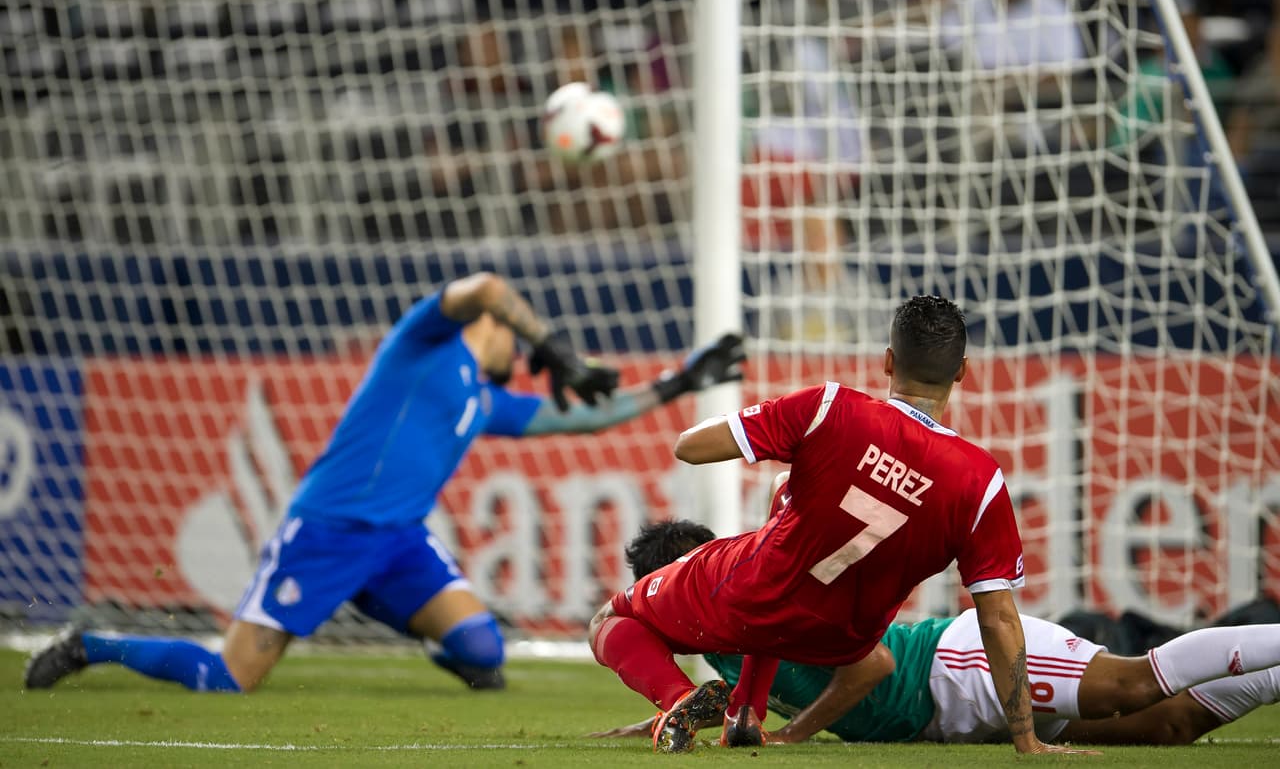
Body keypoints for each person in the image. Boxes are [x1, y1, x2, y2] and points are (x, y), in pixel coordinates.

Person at [24, 271, 746, 694]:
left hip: (399, 542)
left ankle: (382, 602)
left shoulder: (485, 399)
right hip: (328, 532)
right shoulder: (422, 341)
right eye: (519, 342)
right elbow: (488, 286)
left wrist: (677, 382)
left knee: (483, 652)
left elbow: (585, 419)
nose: (525, 360)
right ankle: (92, 644)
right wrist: (550, 343)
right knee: (227, 678)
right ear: (498, 327)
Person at [588, 294, 1085, 754]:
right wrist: (1027, 740)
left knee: (610, 619)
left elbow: (690, 448)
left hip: (754, 600)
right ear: (961, 372)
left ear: (888, 361)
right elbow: (998, 619)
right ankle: (744, 712)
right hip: (841, 642)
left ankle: (678, 697)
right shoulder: (980, 480)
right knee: (784, 497)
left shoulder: (830, 408)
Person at [594, 516, 1280, 746]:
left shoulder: (763, 597)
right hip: (948, 719)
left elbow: (873, 668)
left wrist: (792, 736)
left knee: (1133, 684)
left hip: (960, 666)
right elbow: (730, 695)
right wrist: (663, 710)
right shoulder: (716, 632)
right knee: (1172, 726)